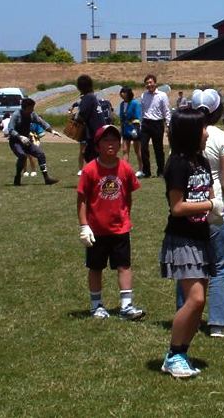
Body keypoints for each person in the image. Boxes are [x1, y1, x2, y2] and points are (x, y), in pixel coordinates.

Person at [159, 108, 224, 378]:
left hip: (202, 236)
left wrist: (214, 208)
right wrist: (210, 203)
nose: (207, 132)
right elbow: (177, 207)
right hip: (183, 238)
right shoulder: (177, 164)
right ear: (189, 133)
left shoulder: (202, 161)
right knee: (195, 299)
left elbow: (208, 192)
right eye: (201, 128)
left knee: (200, 301)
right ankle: (173, 354)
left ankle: (182, 353)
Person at [181, 89, 224, 338]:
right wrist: (218, 201)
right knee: (219, 266)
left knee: (188, 264)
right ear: (218, 111)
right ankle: (219, 322)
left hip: (187, 207)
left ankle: (185, 314)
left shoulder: (183, 135)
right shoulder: (223, 137)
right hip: (214, 208)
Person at [76, 124, 145, 321]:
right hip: (97, 229)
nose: (111, 144)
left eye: (115, 139)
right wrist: (84, 225)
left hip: (119, 227)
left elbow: (127, 196)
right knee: (96, 267)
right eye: (106, 140)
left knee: (124, 265)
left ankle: (126, 305)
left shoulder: (125, 168)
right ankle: (96, 304)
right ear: (97, 145)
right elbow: (82, 200)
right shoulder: (90, 170)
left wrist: (126, 217)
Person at [8, 98, 60, 186]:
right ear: (26, 107)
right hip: (15, 142)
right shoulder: (16, 115)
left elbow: (42, 122)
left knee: (40, 154)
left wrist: (52, 131)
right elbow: (10, 129)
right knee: (22, 156)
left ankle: (47, 178)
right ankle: (17, 177)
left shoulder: (32, 114)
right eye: (31, 108)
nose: (33, 109)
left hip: (27, 141)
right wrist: (19, 137)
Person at [140, 74, 171, 178]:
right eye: (147, 83)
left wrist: (168, 125)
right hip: (145, 123)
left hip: (157, 123)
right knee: (143, 148)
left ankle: (161, 171)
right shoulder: (143, 95)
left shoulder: (162, 95)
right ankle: (146, 171)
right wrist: (140, 124)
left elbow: (166, 111)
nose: (149, 85)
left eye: (150, 82)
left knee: (158, 149)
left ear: (155, 83)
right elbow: (142, 110)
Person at [76, 75, 108, 163]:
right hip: (100, 132)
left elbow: (80, 117)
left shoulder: (87, 98)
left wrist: (75, 118)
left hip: (95, 134)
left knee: (90, 156)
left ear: (80, 87)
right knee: (92, 155)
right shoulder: (92, 97)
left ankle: (98, 175)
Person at [118, 87, 144, 177]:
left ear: (128, 93)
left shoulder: (135, 103)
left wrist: (136, 129)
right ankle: (126, 170)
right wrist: (121, 129)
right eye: (121, 92)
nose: (122, 94)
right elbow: (121, 118)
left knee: (137, 150)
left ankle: (141, 169)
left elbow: (138, 117)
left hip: (134, 129)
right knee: (125, 150)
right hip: (125, 130)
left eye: (123, 92)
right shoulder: (121, 104)